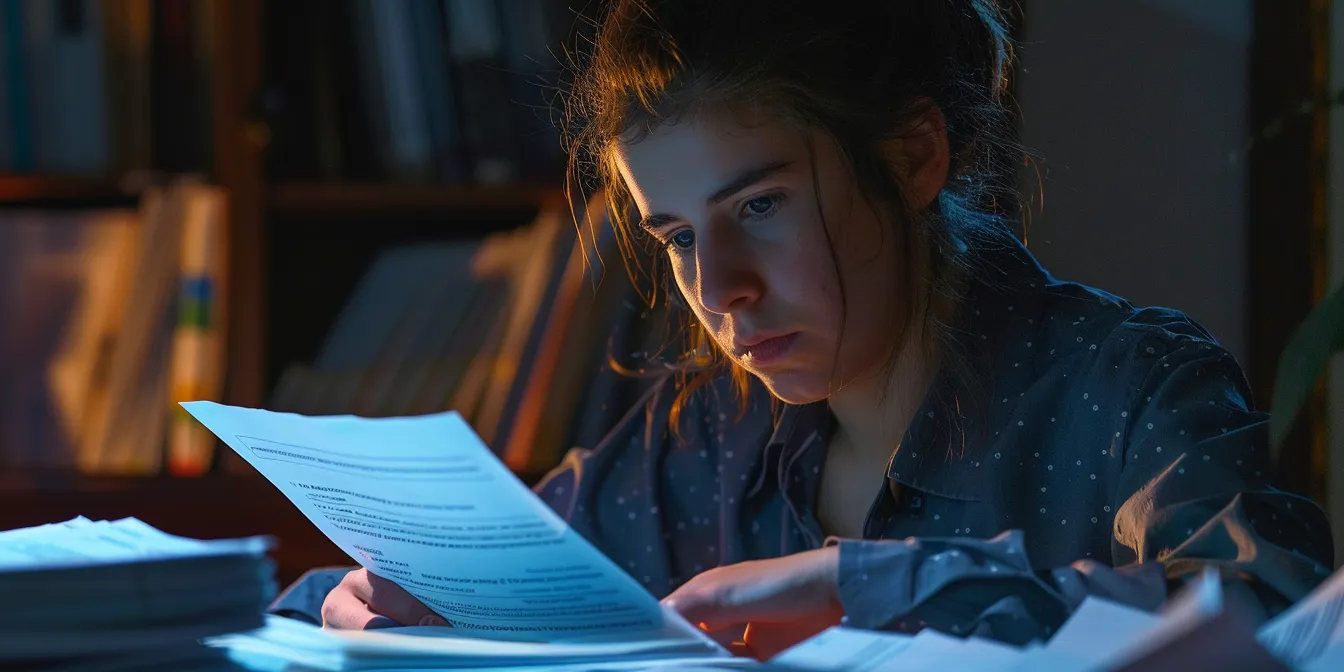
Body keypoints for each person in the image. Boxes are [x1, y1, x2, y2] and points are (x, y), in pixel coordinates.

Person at [268, 0, 1336, 658]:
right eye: (678, 237)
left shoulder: (1128, 386)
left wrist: (856, 584)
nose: (719, 287)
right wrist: (370, 604)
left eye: (760, 206)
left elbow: (1274, 626)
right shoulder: (697, 440)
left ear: (915, 158)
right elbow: (444, 584)